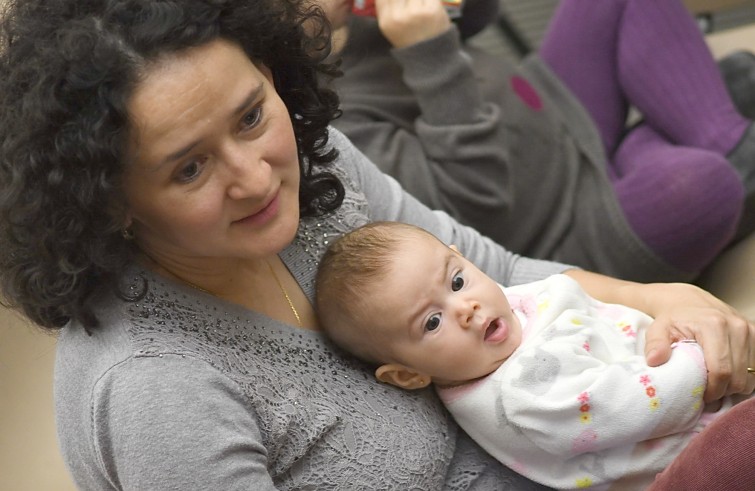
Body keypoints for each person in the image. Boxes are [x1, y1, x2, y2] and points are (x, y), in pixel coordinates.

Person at [0, 0, 753, 489]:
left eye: (251, 115)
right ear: (110, 202)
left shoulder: (316, 162)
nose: (254, 175)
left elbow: (499, 271)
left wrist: (664, 298)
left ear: (269, 74)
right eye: (189, 167)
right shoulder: (154, 388)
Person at [320, 0, 755, 282]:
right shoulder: (331, 125)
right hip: (565, 231)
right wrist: (428, 49)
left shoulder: (342, 19)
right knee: (699, 187)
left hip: (556, 115)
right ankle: (719, 142)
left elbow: (475, 17)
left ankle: (723, 141)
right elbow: (476, 207)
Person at [315, 221, 754, 489]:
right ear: (409, 375)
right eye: (432, 322)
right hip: (687, 443)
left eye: (456, 282)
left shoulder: (508, 307)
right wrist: (699, 355)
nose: (465, 310)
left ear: (461, 258)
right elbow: (643, 406)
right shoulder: (526, 394)